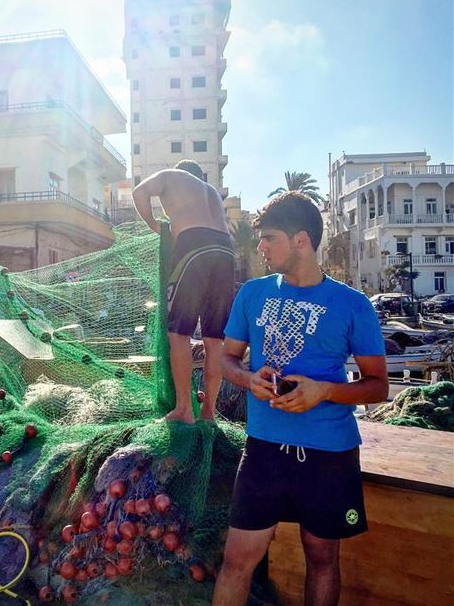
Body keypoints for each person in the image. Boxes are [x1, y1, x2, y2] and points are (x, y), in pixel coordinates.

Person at [212, 192, 388, 606]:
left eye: (269, 238)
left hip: (330, 452)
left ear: (301, 241)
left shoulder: (353, 305)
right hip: (264, 449)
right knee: (237, 559)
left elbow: (378, 385)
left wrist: (324, 390)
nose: (261, 247)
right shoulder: (252, 294)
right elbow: (227, 360)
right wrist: (249, 378)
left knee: (323, 558)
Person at [132, 159, 235, 423]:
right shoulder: (211, 192)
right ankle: (209, 412)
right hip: (225, 252)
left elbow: (138, 192)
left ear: (181, 172)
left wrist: (155, 225)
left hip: (194, 246)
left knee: (179, 334)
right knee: (214, 340)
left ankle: (183, 410)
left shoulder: (170, 175)